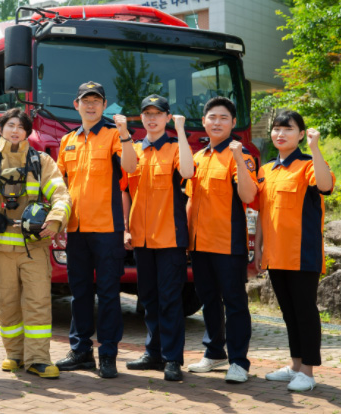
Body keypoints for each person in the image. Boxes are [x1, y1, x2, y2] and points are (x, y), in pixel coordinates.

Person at [0, 108, 70, 378]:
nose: (14, 130)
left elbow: (60, 192)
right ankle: (14, 354)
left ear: (27, 132)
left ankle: (38, 359)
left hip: (33, 247)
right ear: (1, 129)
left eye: (20, 126)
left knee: (37, 302)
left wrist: (56, 220)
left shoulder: (41, 160)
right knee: (7, 303)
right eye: (10, 125)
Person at [254, 110, 334, 392]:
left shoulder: (308, 164)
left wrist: (315, 148)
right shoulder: (266, 170)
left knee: (304, 311)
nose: (280, 133)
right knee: (288, 312)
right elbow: (263, 213)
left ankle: (308, 372)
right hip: (275, 254)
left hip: (303, 253)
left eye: (288, 129)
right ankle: (295, 365)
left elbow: (325, 186)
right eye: (276, 128)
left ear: (300, 134)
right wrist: (258, 250)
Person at [55, 82, 130, 379]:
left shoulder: (113, 135)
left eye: (96, 101)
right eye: (85, 100)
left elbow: (130, 167)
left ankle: (108, 354)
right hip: (76, 229)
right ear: (76, 105)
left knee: (109, 293)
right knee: (80, 293)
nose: (90, 105)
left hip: (107, 228)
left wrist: (125, 136)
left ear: (104, 105)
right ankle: (81, 351)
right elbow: (59, 185)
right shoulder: (67, 141)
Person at [117, 94, 194, 382]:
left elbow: (188, 172)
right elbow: (126, 184)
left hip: (170, 238)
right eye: (147, 113)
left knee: (170, 300)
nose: (152, 118)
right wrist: (126, 227)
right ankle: (153, 353)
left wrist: (182, 132)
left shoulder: (176, 148)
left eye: (157, 114)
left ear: (167, 117)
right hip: (142, 239)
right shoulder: (134, 149)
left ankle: (173, 359)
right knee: (148, 299)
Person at [182, 98, 257, 383]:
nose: (216, 122)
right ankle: (214, 353)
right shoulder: (198, 157)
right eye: (211, 117)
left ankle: (239, 361)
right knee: (208, 299)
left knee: (235, 302)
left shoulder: (242, 155)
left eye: (223, 118)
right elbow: (191, 200)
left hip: (228, 243)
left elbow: (249, 196)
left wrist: (238, 159)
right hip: (200, 244)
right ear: (203, 121)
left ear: (233, 123)